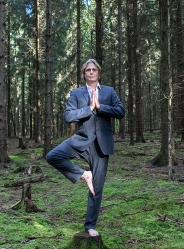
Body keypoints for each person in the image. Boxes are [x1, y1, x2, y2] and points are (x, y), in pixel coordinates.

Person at [46, 59, 125, 237]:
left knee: (96, 188)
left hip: (101, 145)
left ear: (98, 72)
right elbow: (68, 116)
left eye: (94, 69)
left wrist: (101, 107)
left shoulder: (109, 92)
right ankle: (84, 174)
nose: (91, 72)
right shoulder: (76, 93)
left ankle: (90, 225)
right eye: (88, 70)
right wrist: (89, 109)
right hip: (81, 140)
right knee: (53, 156)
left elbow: (121, 112)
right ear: (84, 74)